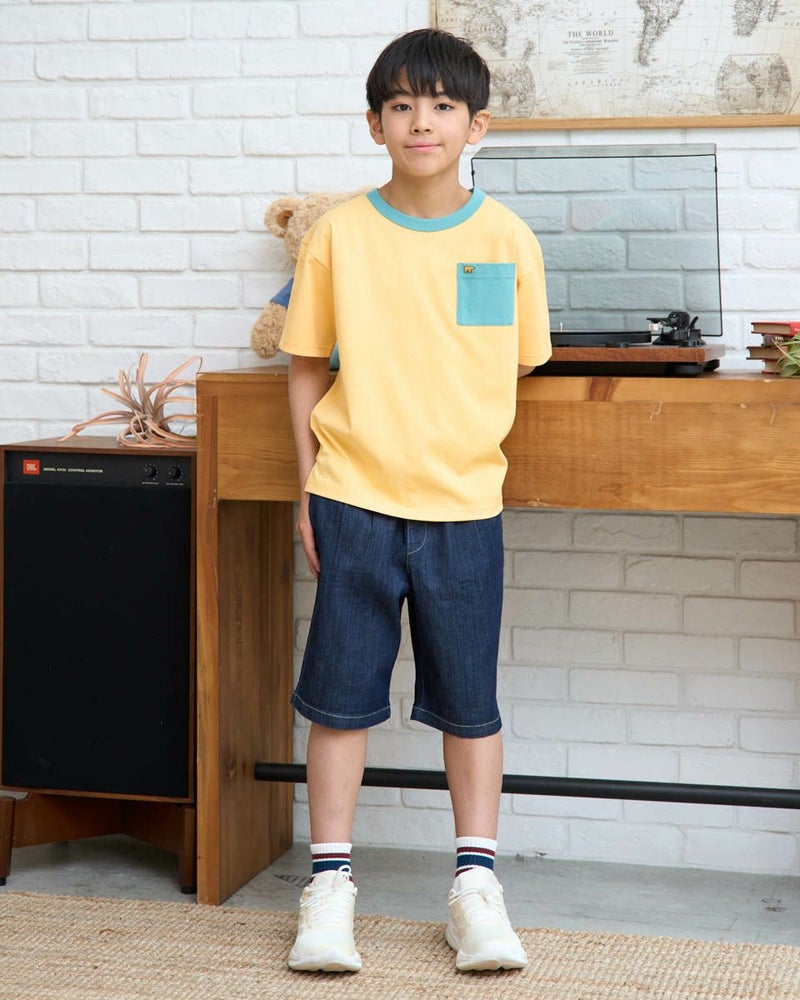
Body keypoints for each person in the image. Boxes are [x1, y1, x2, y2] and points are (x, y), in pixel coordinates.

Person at [278, 27, 552, 974]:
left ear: (478, 125)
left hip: (465, 505)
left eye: (441, 106)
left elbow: (516, 359)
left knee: (470, 703)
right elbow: (305, 366)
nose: (420, 122)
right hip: (352, 498)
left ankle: (475, 889)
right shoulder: (338, 236)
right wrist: (307, 487)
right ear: (375, 125)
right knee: (340, 699)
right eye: (401, 105)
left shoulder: (505, 238)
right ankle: (329, 889)